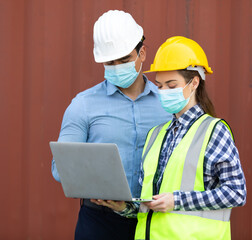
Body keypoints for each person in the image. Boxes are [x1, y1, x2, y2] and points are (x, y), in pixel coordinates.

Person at [94, 36, 247, 240]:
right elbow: (150, 208)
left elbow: (236, 192)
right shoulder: (156, 135)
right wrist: (123, 207)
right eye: (159, 85)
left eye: (171, 85)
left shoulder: (214, 131)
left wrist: (177, 200)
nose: (163, 92)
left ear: (194, 83)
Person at [51, 10, 171, 240]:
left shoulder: (168, 104)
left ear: (142, 53)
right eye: (110, 62)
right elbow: (61, 168)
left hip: (155, 221)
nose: (117, 67)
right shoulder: (83, 105)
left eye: (124, 60)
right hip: (100, 222)